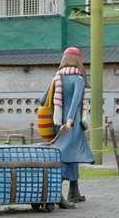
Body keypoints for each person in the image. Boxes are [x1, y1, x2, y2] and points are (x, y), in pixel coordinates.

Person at [41, 47, 95, 209]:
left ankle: (74, 191)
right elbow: (76, 102)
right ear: (78, 60)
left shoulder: (56, 78)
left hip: (58, 122)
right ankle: (56, 193)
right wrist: (70, 120)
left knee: (72, 154)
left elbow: (43, 100)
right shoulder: (78, 79)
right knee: (65, 154)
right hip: (72, 124)